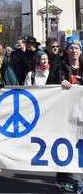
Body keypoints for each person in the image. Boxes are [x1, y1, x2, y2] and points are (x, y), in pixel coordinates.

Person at [56, 36, 83, 192]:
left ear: (80, 50)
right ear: (66, 50)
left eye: (77, 48)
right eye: (71, 48)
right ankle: (66, 178)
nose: (74, 50)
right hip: (65, 114)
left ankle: (74, 178)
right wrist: (59, 84)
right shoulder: (59, 67)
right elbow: (49, 88)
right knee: (65, 144)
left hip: (81, 113)